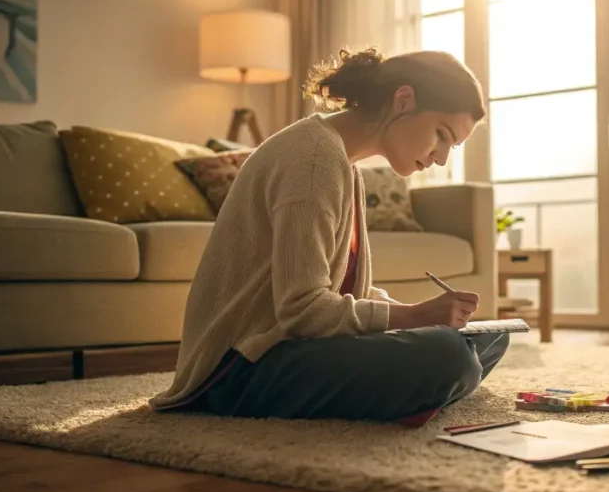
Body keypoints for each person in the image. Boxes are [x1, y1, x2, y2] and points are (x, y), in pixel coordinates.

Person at [148, 48, 509, 427]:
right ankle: (424, 390)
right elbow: (303, 309)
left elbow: (343, 291)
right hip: (239, 368)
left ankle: (419, 392)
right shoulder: (313, 159)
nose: (440, 159)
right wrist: (416, 316)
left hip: (292, 348)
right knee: (448, 357)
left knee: (488, 340)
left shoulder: (343, 163)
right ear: (404, 100)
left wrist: (418, 319)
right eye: (442, 136)